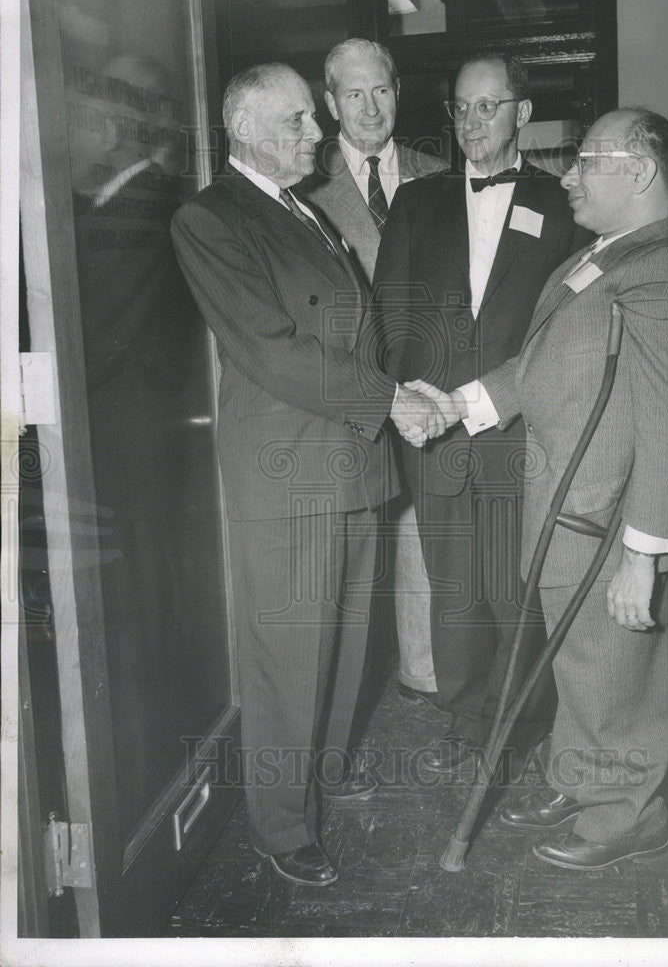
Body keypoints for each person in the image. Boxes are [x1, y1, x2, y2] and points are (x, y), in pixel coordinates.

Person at [170, 63, 447, 888]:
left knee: (345, 641)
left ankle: (323, 771)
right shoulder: (211, 217)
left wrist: (406, 390)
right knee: (288, 653)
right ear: (246, 127)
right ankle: (281, 824)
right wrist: (390, 400)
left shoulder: (298, 207)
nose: (316, 132)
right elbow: (272, 350)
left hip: (352, 460)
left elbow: (354, 335)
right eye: (297, 120)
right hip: (288, 472)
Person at [406, 107, 668, 869]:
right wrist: (456, 409)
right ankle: (578, 774)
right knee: (576, 663)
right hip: (559, 509)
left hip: (603, 519)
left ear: (637, 171)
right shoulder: (594, 260)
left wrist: (646, 550)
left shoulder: (656, 273)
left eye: (586, 161)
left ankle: (628, 806)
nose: (568, 176)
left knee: (611, 666)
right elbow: (536, 371)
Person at [373, 52, 588, 772]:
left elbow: (571, 331)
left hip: (517, 431)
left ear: (521, 114)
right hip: (431, 433)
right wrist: (408, 401)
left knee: (511, 587)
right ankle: (465, 717)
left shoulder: (564, 205)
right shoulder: (416, 201)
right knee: (453, 589)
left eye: (487, 107)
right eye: (461, 108)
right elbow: (389, 313)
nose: (471, 122)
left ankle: (515, 720)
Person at [303, 38, 447, 714]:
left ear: (398, 91)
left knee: (422, 535)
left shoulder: (439, 176)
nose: (369, 108)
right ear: (329, 103)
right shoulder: (299, 187)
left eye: (380, 91)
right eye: (352, 94)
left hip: (426, 394)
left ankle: (422, 677)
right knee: (352, 552)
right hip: (347, 399)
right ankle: (345, 702)